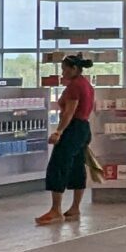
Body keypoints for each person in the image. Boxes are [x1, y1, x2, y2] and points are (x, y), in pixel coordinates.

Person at [35, 55, 96, 225]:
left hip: (73, 129)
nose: (63, 72)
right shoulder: (86, 84)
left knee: (58, 165)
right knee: (77, 166)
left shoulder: (75, 86)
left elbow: (69, 112)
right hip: (84, 128)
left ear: (74, 69)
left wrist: (59, 132)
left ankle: (55, 210)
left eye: (65, 69)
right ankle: (75, 207)